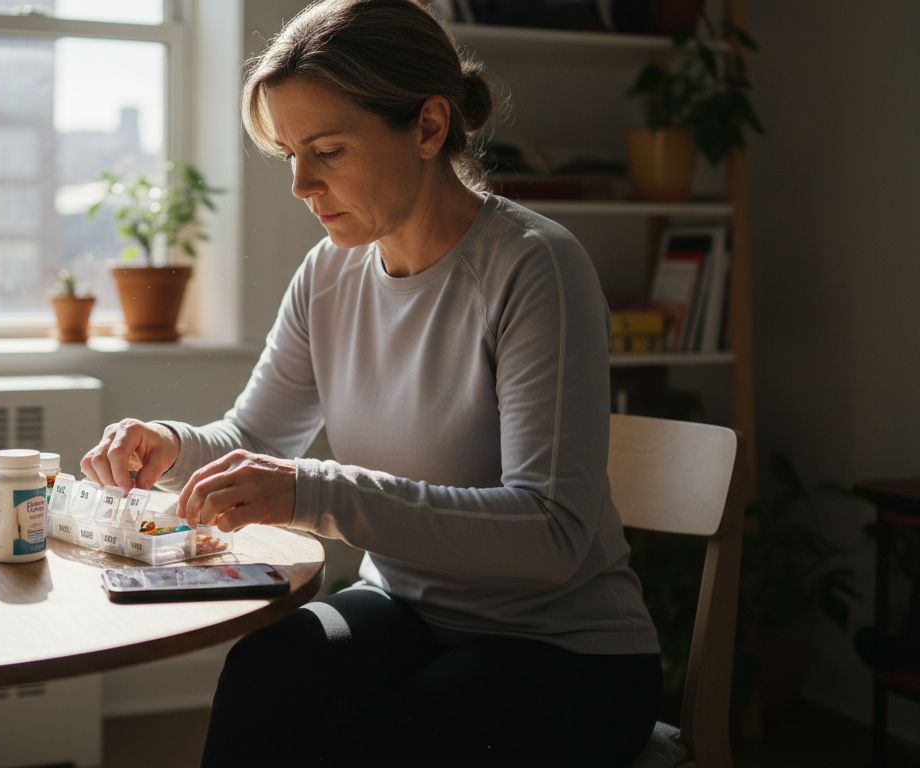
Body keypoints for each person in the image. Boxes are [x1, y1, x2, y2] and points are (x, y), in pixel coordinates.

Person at [79, 0, 660, 764]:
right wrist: (169, 445)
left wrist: (313, 492)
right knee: (270, 672)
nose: (300, 184)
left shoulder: (533, 268)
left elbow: (552, 534)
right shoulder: (329, 273)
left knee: (393, 741)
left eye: (326, 149)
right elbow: (254, 439)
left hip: (565, 648)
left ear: (427, 127)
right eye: (289, 153)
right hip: (410, 611)